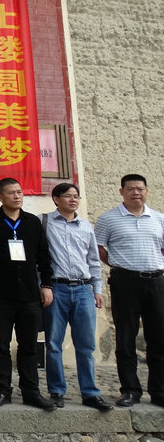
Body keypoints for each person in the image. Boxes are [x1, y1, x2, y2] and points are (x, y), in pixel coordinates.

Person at [0, 177, 55, 411]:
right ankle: (2, 390)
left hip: (30, 294)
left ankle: (31, 392)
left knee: (29, 345)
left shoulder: (32, 222)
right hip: (1, 294)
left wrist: (46, 285)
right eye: (11, 193)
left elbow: (43, 256)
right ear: (0, 197)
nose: (17, 196)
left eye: (19, 192)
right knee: (0, 345)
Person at [40, 183, 112, 411]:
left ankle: (90, 393)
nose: (73, 200)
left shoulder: (86, 227)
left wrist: (97, 289)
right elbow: (37, 258)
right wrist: (42, 286)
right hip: (56, 288)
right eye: (68, 196)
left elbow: (93, 260)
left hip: (83, 289)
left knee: (86, 345)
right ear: (56, 199)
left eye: (76, 196)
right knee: (53, 343)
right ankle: (56, 391)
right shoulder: (44, 222)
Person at [95, 173, 164, 407]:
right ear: (121, 192)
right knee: (125, 338)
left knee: (159, 338)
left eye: (140, 189)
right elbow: (98, 247)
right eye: (131, 189)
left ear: (147, 191)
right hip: (125, 281)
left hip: (156, 282)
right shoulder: (108, 219)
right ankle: (130, 390)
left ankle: (159, 390)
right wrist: (118, 263)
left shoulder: (159, 218)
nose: (136, 192)